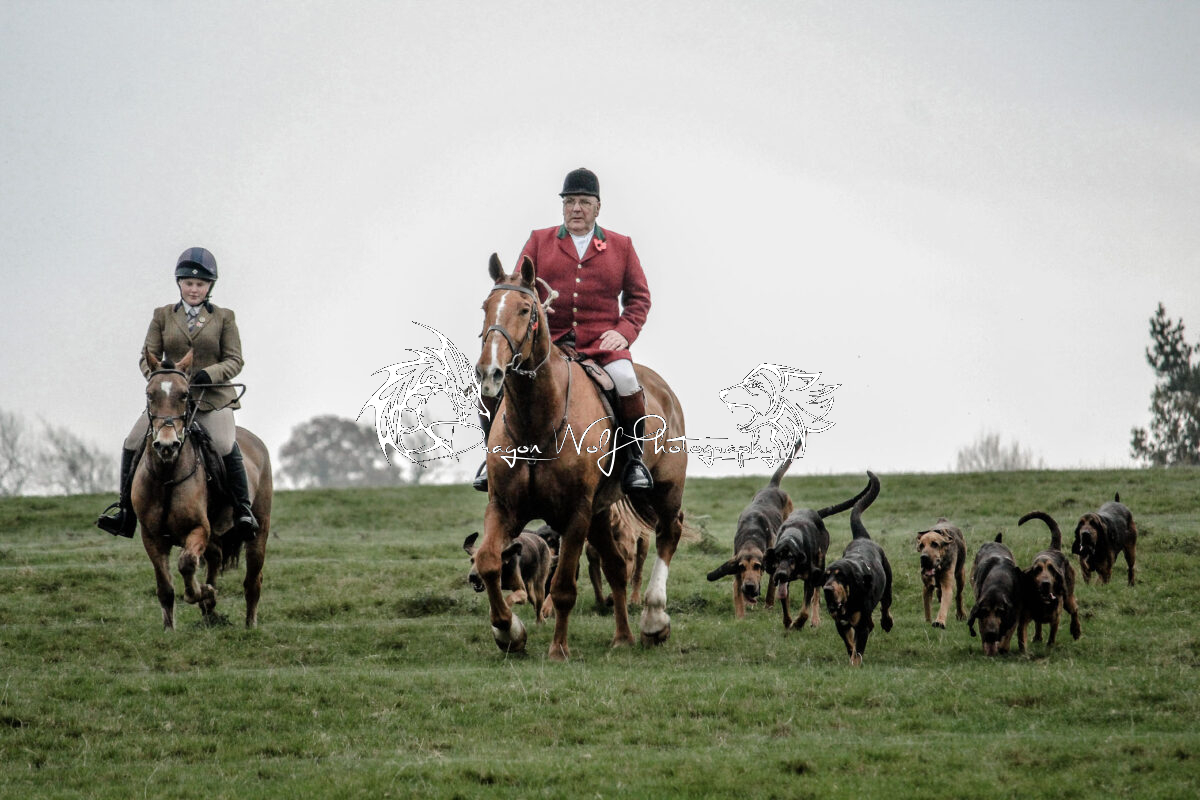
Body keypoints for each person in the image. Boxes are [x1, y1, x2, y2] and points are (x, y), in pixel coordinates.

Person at [475, 167, 654, 494]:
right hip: (548, 344)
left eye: (584, 202)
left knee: (628, 381)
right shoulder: (539, 240)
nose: (576, 208)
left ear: (597, 207)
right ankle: (492, 456)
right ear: (563, 206)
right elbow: (518, 291)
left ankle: (633, 461)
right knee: (494, 382)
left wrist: (624, 332)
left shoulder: (621, 246)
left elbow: (639, 298)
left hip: (601, 345)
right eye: (569, 202)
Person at [96, 247, 259, 540]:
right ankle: (125, 512)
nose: (194, 289)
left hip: (211, 399)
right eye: (188, 283)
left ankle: (242, 510)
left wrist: (209, 374)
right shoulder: (162, 316)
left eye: (200, 284)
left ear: (209, 286)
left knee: (224, 444)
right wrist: (160, 379)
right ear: (179, 283)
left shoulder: (224, 318)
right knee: (132, 441)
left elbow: (235, 360)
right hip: (169, 402)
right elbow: (147, 357)